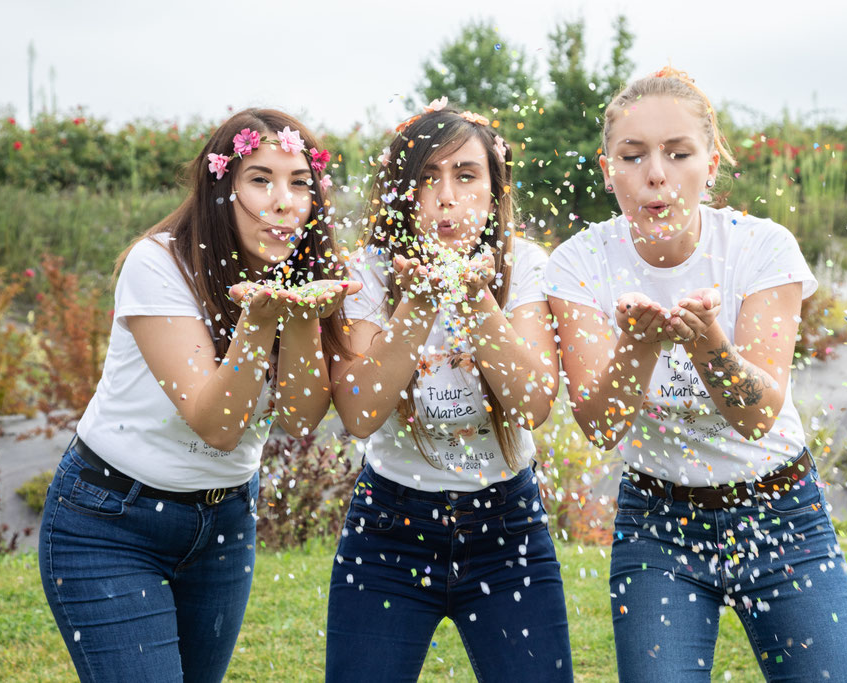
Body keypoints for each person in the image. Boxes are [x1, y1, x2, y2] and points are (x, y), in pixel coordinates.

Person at [544, 68, 847, 682]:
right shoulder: (580, 262)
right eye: (633, 156)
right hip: (657, 524)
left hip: (780, 510)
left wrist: (710, 345)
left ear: (711, 164)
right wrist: (638, 344)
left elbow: (757, 414)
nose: (656, 174)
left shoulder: (761, 248)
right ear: (607, 166)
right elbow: (601, 425)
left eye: (679, 153)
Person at [39, 108, 360, 682]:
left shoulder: (301, 273)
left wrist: (306, 317)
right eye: (259, 179)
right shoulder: (159, 263)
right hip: (112, 519)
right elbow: (216, 424)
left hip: (225, 520)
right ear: (222, 188)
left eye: (299, 183)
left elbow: (301, 416)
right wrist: (260, 321)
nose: (282, 201)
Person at [325, 102, 572, 681]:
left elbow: (533, 404)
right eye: (425, 177)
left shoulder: (526, 265)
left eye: (465, 175)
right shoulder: (369, 272)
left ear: (494, 189)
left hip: (508, 526)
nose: (445, 195)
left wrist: (473, 295)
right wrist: (419, 302)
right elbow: (358, 414)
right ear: (398, 193)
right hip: (389, 527)